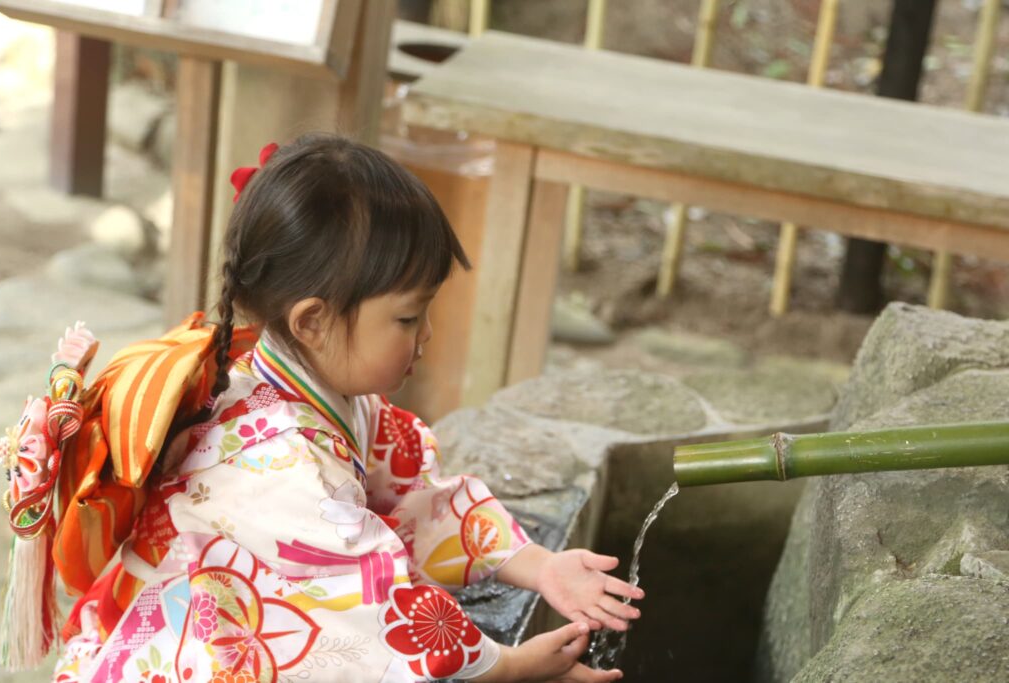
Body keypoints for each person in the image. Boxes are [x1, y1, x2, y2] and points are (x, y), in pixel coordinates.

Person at [52, 134, 642, 682]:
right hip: (178, 650)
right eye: (409, 318)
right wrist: (509, 668)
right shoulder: (281, 467)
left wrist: (537, 565)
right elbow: (377, 598)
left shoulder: (309, 390)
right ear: (312, 321)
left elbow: (413, 495)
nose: (427, 334)